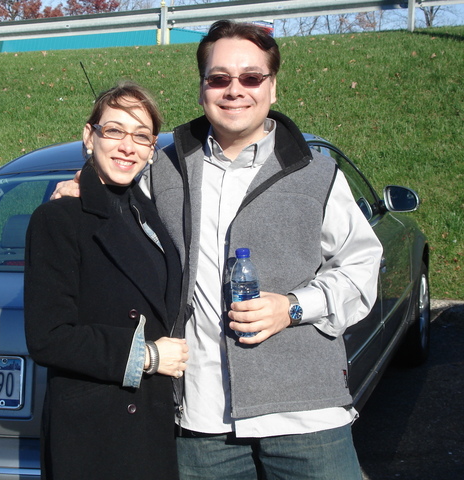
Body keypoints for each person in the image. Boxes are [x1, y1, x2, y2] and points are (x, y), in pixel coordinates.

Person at [53, 20, 383, 480]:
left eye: (251, 78)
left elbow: (361, 265)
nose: (235, 90)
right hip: (201, 422)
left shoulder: (317, 174)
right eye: (219, 78)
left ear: (273, 88)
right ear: (202, 87)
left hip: (305, 415)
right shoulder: (163, 167)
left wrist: (292, 307)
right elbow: (116, 196)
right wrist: (80, 191)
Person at [24, 81, 189, 480]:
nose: (127, 146)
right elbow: (49, 336)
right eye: (114, 130)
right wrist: (146, 357)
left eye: (141, 136)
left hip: (150, 422)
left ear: (151, 150)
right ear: (89, 136)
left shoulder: (144, 211)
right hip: (95, 434)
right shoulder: (58, 219)